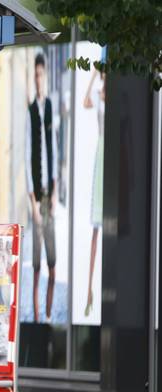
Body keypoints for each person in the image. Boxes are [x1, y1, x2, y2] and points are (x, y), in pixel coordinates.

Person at [25, 52, 59, 322]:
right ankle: (37, 319)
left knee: (52, 262)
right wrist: (32, 201)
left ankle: (47, 315)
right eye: (35, 75)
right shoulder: (30, 112)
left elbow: (55, 150)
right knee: (36, 266)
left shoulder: (49, 107)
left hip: (49, 194)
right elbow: (27, 156)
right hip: (37, 197)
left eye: (41, 75)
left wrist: (56, 191)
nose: (39, 80)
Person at [83, 65, 105, 317]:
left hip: (111, 154)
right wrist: (92, 76)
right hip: (101, 153)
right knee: (95, 228)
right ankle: (89, 289)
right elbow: (85, 101)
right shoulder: (99, 94)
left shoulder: (117, 96)